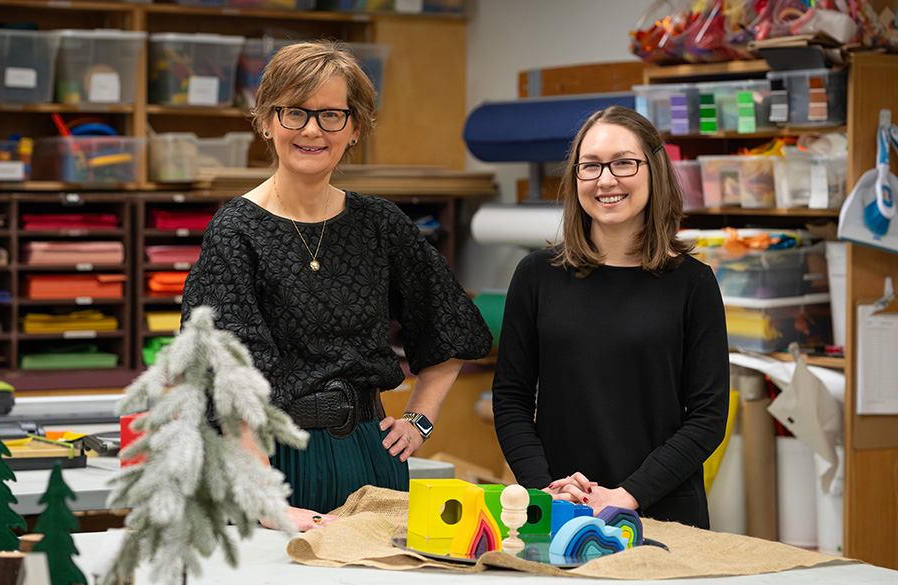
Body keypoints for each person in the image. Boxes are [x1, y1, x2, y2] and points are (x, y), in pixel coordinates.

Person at [180, 40, 492, 531]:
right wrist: (267, 499)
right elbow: (226, 378)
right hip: (276, 461)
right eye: (294, 113)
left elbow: (451, 325)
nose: (311, 130)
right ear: (265, 120)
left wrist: (419, 421)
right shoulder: (236, 230)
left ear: (355, 129)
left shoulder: (379, 223)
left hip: (374, 456)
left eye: (331, 115)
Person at [491, 105, 729, 529]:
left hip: (664, 514)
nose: (606, 180)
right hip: (562, 509)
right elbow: (511, 398)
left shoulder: (693, 283)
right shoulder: (536, 276)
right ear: (575, 178)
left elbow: (709, 417)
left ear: (654, 170)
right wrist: (545, 488)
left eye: (624, 163)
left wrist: (626, 496)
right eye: (591, 166)